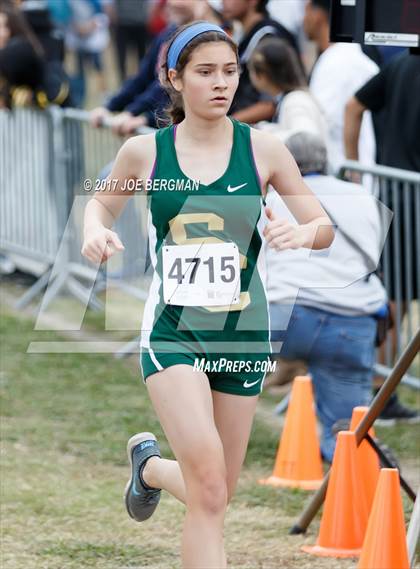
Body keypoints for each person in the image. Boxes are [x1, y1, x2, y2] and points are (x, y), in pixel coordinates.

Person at [81, 21, 333, 568]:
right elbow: (100, 204)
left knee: (215, 491)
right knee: (209, 488)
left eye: (230, 71)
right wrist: (95, 230)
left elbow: (324, 225)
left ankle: (148, 467)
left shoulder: (265, 150)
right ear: (174, 79)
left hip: (241, 333)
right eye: (205, 72)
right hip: (174, 333)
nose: (221, 83)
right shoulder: (144, 154)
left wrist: (301, 233)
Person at [266, 131, 388, 461]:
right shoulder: (362, 196)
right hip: (350, 318)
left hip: (286, 313)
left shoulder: (276, 198)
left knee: (224, 372)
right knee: (347, 428)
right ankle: (346, 454)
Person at [344, 52, 420, 425]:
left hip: (394, 192)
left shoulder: (400, 62)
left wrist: (355, 170)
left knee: (394, 298)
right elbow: (353, 106)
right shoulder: (401, 64)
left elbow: (353, 106)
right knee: (394, 299)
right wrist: (355, 171)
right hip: (408, 197)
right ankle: (377, 389)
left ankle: (376, 386)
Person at [303, 0, 378, 174]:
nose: (303, 19)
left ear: (317, 16)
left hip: (346, 175)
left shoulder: (338, 61)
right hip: (349, 174)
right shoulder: (342, 56)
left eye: (306, 11)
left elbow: (321, 121)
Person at [223, 0, 301, 124]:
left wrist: (226, 124)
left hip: (265, 132)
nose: (224, 2)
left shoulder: (268, 37)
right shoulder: (244, 33)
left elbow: (271, 103)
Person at [248, 36, 326, 141]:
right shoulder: (291, 99)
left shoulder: (295, 101)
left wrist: (261, 137)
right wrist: (264, 128)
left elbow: (306, 139)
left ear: (261, 74)